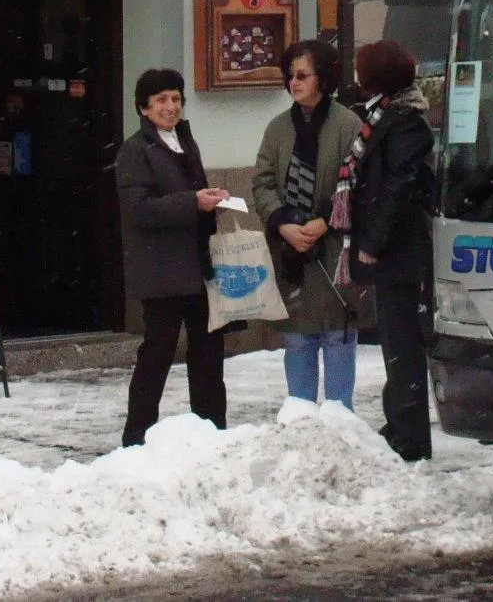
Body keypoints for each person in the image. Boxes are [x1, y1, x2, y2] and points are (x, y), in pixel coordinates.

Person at [116, 68, 231, 447]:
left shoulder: (185, 140)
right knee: (158, 355)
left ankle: (212, 429)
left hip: (198, 264)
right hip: (162, 270)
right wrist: (192, 202)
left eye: (176, 99)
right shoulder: (135, 150)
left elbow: (188, 194)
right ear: (144, 108)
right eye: (162, 100)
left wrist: (210, 199)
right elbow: (140, 209)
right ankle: (136, 438)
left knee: (209, 354)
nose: (171, 107)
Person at [333, 40, 435, 461]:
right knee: (395, 339)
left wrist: (372, 245)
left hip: (398, 251)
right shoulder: (381, 114)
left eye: (361, 70)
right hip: (392, 248)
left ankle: (409, 436)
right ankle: (399, 423)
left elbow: (396, 189)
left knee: (403, 342)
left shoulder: (404, 122)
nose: (356, 78)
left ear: (378, 77)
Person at [252, 39, 367, 408]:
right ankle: (299, 419)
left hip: (333, 250)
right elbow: (263, 182)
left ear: (323, 78)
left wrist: (326, 223)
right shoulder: (277, 128)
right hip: (291, 251)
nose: (293, 83)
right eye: (289, 76)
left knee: (337, 336)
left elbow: (360, 185)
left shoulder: (348, 125)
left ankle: (339, 423)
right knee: (298, 339)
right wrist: (281, 221)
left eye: (302, 75)